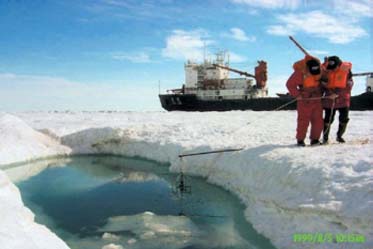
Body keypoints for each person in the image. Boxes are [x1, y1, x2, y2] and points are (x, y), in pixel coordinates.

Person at [286, 55, 324, 146]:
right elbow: (289, 84)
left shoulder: (322, 70)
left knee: (318, 121)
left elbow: (325, 82)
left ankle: (315, 140)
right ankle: (300, 140)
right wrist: (297, 95)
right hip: (304, 99)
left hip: (317, 98)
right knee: (303, 121)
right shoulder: (300, 72)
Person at [321, 56, 353, 143]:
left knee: (344, 119)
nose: (332, 68)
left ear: (338, 64)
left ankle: (339, 136)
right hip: (329, 100)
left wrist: (338, 94)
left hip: (343, 99)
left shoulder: (346, 71)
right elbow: (322, 84)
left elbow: (349, 84)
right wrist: (329, 93)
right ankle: (325, 138)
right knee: (328, 120)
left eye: (333, 66)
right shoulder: (326, 71)